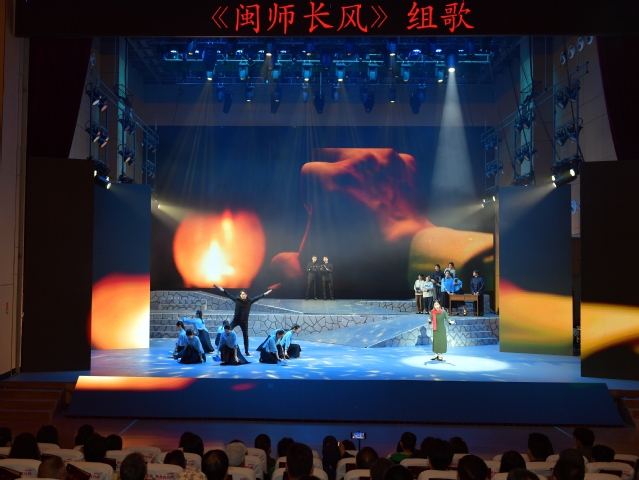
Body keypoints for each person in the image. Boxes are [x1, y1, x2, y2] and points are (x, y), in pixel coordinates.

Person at [215, 284, 272, 356]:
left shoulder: (249, 301)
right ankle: (221, 346)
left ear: (246, 295)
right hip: (236, 320)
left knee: (246, 336)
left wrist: (265, 293)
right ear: (240, 295)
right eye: (242, 294)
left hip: (244, 322)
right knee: (227, 330)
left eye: (244, 294)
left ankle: (246, 351)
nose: (243, 295)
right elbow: (228, 295)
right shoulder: (237, 299)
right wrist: (222, 290)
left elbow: (257, 297)